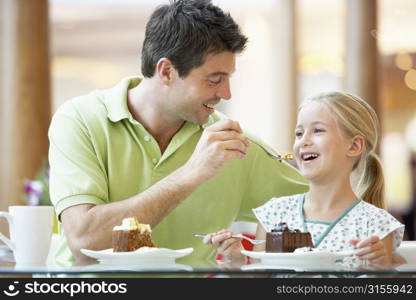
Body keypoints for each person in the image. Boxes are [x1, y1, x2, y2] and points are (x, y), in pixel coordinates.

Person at [48, 0, 307, 266]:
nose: (226, 93)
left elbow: (324, 200)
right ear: (167, 71)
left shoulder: (233, 146)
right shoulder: (80, 120)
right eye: (215, 79)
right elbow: (84, 242)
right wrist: (191, 173)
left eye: (228, 78)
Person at [204, 91, 405, 267]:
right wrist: (236, 260)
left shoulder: (377, 225)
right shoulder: (273, 213)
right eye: (299, 133)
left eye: (317, 130)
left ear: (353, 146)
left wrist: (380, 267)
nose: (303, 142)